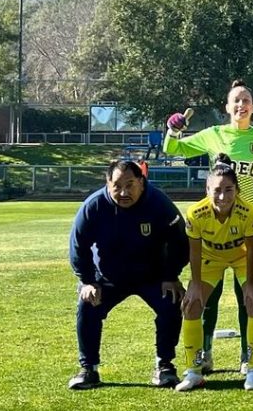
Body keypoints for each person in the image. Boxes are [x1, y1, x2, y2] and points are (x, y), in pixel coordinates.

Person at [163, 79, 253, 375]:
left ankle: (246, 355)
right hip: (213, 224)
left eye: (246, 101)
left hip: (248, 227)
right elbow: (174, 149)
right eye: (236, 101)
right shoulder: (213, 134)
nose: (241, 105)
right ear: (227, 107)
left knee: (248, 295)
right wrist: (173, 128)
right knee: (207, 296)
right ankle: (205, 352)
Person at [67, 160, 188, 390]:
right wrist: (87, 281)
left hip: (152, 275)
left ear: (141, 182)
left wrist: (171, 276)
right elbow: (78, 246)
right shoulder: (93, 206)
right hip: (109, 278)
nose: (124, 192)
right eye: (117, 186)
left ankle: (164, 366)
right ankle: (89, 368)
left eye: (130, 184)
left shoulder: (159, 203)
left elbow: (179, 241)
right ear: (107, 183)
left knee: (171, 301)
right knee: (87, 305)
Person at [176, 156, 253, 392]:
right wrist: (194, 284)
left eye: (229, 190)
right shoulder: (195, 212)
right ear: (207, 189)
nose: (223, 196)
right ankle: (194, 371)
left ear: (237, 190)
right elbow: (194, 253)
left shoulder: (249, 211)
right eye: (217, 190)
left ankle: (252, 368)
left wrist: (252, 284)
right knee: (191, 304)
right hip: (210, 259)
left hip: (242, 257)